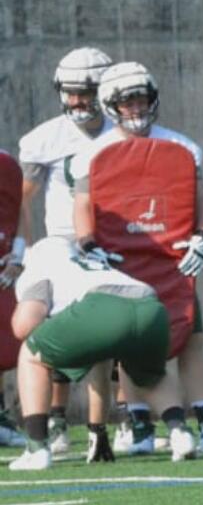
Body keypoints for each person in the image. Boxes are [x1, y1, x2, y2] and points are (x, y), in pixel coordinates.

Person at [71, 61, 203, 454]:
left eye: (141, 98)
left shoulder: (181, 147)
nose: (136, 107)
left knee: (191, 340)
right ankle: (140, 429)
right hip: (123, 261)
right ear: (110, 105)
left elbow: (199, 197)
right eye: (127, 101)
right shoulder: (93, 155)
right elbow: (83, 203)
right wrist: (86, 243)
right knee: (132, 347)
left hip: (172, 260)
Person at [7, 237, 194, 470]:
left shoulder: (40, 266)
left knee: (30, 354)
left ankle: (36, 448)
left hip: (101, 305)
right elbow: (100, 369)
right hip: (150, 306)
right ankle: (180, 432)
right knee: (150, 375)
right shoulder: (93, 265)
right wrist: (98, 430)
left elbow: (23, 325)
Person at [16, 47, 116, 458]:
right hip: (61, 244)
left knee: (111, 335)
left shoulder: (123, 132)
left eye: (86, 91)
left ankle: (129, 421)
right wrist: (24, 247)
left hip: (113, 242)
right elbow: (21, 199)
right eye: (70, 92)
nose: (77, 100)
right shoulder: (45, 139)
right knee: (43, 327)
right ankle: (55, 419)